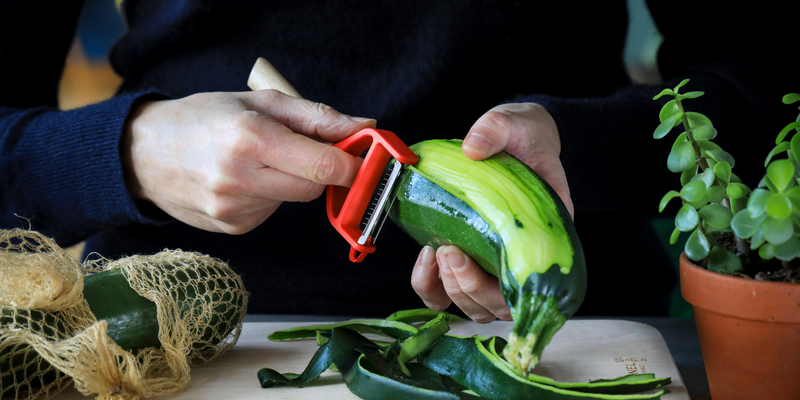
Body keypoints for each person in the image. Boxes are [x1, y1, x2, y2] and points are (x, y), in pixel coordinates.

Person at [2, 1, 798, 320]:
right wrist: (127, 151)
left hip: (569, 337)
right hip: (160, 334)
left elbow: (769, 88)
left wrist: (575, 159)